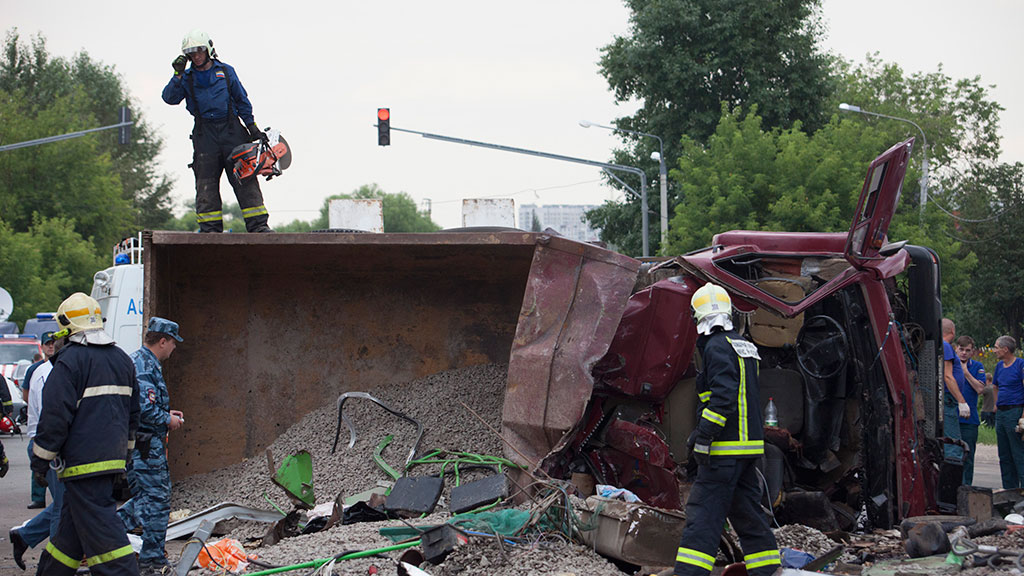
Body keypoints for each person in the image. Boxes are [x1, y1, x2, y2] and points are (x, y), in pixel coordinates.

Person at [673, 283, 781, 576]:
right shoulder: (743, 345)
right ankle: (768, 569)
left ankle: (689, 573)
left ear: (700, 317)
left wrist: (704, 435)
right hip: (748, 449)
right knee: (747, 512)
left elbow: (723, 397)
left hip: (725, 450)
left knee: (704, 512)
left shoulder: (717, 346)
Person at [30, 292, 140, 576]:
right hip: (112, 460)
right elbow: (133, 414)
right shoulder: (122, 359)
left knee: (104, 530)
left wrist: (41, 460)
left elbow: (55, 417)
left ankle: (124, 572)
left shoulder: (69, 362)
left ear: (67, 328)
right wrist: (126, 455)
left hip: (81, 463)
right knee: (69, 534)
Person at [162, 29, 272, 234]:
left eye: (199, 51)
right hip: (205, 135)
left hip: (232, 132)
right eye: (191, 53)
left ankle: (258, 227)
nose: (195, 56)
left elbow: (242, 101)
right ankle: (210, 231)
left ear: (208, 49)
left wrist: (252, 128)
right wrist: (177, 74)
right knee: (206, 183)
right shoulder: (186, 77)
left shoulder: (227, 72)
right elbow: (170, 98)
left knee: (245, 179)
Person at [118, 317, 185, 574]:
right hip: (146, 446)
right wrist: (166, 419)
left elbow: (145, 403)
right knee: (156, 499)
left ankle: (103, 534)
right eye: (173, 343)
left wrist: (167, 411)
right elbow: (144, 409)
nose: (174, 348)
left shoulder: (144, 362)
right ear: (162, 341)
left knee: (147, 498)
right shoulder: (144, 364)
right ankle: (151, 560)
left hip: (146, 443)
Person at [10, 332, 63, 571]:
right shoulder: (47, 375)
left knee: (67, 501)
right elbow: (50, 419)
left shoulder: (48, 372)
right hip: (48, 445)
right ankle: (54, 562)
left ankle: (24, 535)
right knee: (63, 506)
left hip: (47, 444)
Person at [22, 332, 56, 510]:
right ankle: (38, 497)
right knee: (36, 458)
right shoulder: (34, 370)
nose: (50, 346)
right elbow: (27, 394)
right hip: (39, 425)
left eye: (53, 343)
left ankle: (54, 495)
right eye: (47, 344)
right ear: (41, 347)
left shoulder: (61, 366)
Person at [993, 335, 1024, 489]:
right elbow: (995, 386)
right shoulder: (999, 366)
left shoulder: (1020, 365)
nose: (994, 350)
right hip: (1002, 413)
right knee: (1004, 454)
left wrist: (1023, 416)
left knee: (1018, 452)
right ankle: (1009, 489)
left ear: (1005, 349)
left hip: (1015, 411)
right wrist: (996, 405)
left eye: (996, 347)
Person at [956, 335, 986, 485]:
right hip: (952, 417)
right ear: (956, 349)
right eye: (961, 349)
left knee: (968, 456)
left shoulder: (977, 366)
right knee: (952, 455)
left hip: (969, 420)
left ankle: (966, 487)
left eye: (967, 350)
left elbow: (980, 388)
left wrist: (965, 372)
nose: (964, 353)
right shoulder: (949, 365)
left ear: (972, 352)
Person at [941, 319, 969, 460]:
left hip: (947, 399)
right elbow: (948, 376)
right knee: (953, 443)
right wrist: (961, 401)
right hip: (948, 399)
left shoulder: (943, 346)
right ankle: (952, 477)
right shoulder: (945, 346)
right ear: (952, 331)